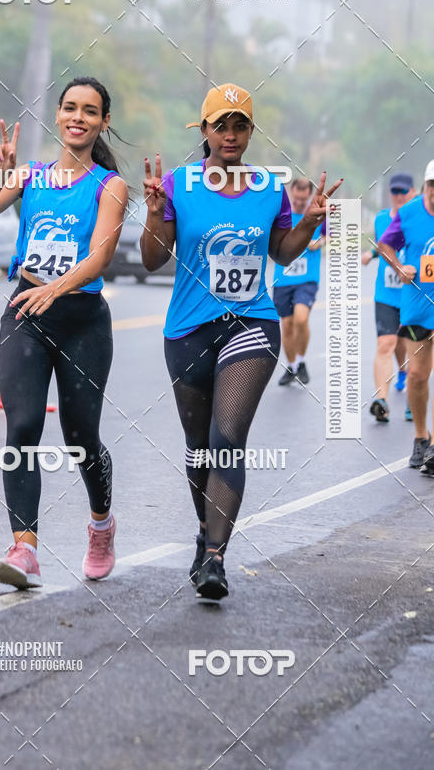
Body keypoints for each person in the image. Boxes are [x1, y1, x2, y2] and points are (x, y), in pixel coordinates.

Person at [140, 83, 342, 600]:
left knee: (227, 435)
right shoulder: (179, 184)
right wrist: (154, 212)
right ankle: (207, 532)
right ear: (203, 130)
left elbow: (281, 251)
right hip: (187, 329)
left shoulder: (268, 188)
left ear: (251, 131)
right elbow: (151, 259)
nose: (231, 135)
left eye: (241, 125)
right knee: (198, 448)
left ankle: (214, 558)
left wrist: (309, 222)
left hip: (252, 323)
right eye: (220, 125)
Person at [0, 77, 128, 588]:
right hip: (25, 312)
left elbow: (100, 255)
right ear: (57, 116)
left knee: (81, 437)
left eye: (90, 111)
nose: (78, 117)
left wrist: (55, 289)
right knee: (22, 427)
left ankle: (101, 524)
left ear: (103, 122)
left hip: (82, 320)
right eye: (70, 108)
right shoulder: (32, 175)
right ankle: (25, 550)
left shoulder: (110, 185)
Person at [378, 160, 434, 474]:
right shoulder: (410, 213)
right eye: (433, 185)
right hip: (418, 306)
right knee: (417, 376)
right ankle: (420, 438)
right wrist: (399, 267)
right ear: (426, 186)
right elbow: (385, 244)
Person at [361, 173, 416, 423]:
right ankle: (381, 400)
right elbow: (384, 245)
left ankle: (412, 397)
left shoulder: (421, 218)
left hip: (414, 295)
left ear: (413, 192)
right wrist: (370, 254)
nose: (398, 196)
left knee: (410, 348)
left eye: (403, 191)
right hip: (386, 294)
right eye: (395, 191)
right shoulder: (382, 218)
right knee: (386, 344)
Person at [272, 176, 326, 386]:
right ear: (292, 192)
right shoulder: (282, 214)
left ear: (309, 196)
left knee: (301, 319)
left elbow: (330, 233)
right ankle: (292, 366)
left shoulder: (315, 214)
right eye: (298, 197)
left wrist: (320, 241)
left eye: (305, 198)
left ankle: (301, 361)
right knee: (287, 325)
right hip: (283, 278)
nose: (300, 201)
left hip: (307, 278)